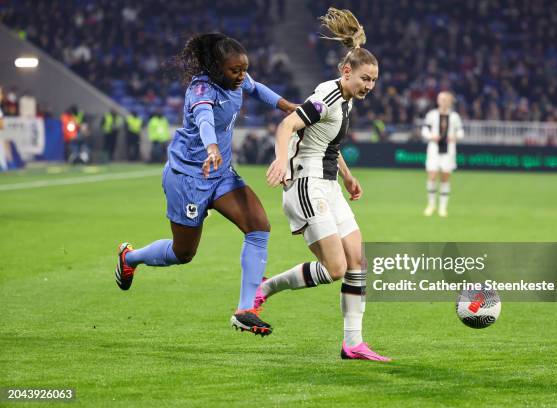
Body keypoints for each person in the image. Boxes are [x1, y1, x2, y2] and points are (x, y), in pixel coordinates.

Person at [115, 33, 298, 336]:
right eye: (234, 71)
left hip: (221, 174)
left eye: (243, 69)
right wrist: (211, 147)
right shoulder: (201, 88)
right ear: (216, 68)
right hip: (187, 177)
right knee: (183, 253)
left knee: (258, 225)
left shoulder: (239, 79)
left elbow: (258, 88)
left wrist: (285, 105)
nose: (241, 76)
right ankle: (130, 257)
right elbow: (203, 119)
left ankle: (245, 310)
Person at [259, 8, 390, 361]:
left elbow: (328, 143)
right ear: (347, 72)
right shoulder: (327, 98)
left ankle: (353, 343)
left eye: (374, 81)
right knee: (336, 269)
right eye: (365, 78)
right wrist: (282, 160)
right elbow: (287, 126)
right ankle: (265, 287)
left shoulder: (345, 100)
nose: (369, 86)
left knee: (358, 261)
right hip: (305, 183)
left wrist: (347, 176)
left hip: (328, 184)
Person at [421, 91, 464, 217]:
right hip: (434, 149)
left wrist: (455, 137)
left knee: (445, 178)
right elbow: (424, 129)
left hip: (448, 151)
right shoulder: (432, 115)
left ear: (449, 101)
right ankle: (431, 205)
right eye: (440, 99)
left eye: (445, 99)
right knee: (432, 176)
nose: (442, 101)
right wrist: (431, 136)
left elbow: (461, 132)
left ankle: (443, 208)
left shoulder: (455, 116)